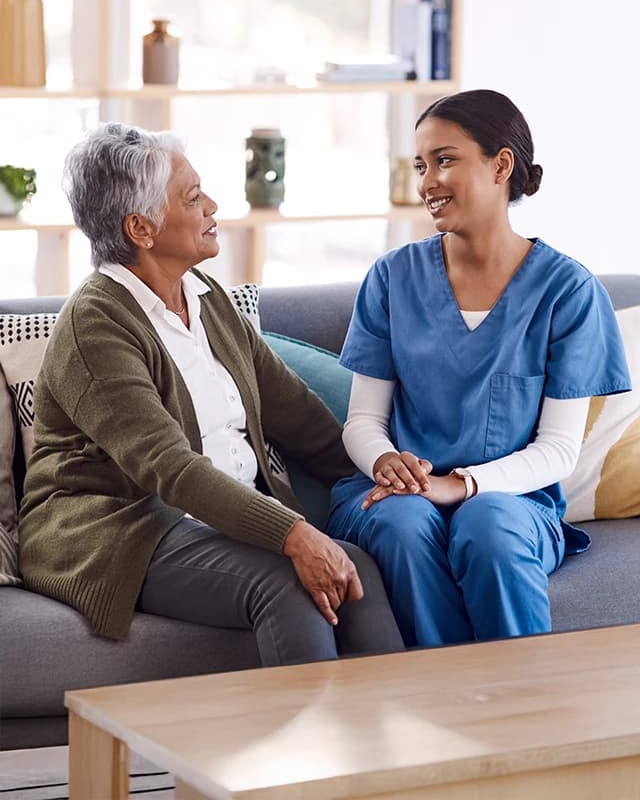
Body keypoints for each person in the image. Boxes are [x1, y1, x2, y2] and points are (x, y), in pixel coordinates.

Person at [18, 122, 404, 665]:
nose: (212, 207)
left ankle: (395, 721)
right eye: (193, 198)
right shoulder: (96, 325)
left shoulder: (207, 299)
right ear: (141, 228)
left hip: (206, 521)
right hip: (121, 528)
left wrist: (388, 473)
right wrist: (293, 534)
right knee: (286, 582)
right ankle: (309, 726)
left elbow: (300, 419)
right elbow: (170, 469)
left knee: (357, 568)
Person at [326, 89, 631, 648]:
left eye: (444, 160)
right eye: (421, 166)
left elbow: (559, 449)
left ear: (501, 165)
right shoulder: (391, 278)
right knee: (403, 523)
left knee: (487, 525)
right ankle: (444, 694)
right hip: (398, 497)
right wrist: (387, 463)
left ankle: (518, 697)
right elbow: (363, 421)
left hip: (512, 502)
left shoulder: (568, 291)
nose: (427, 182)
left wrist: (460, 485)